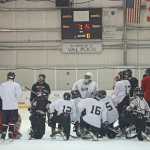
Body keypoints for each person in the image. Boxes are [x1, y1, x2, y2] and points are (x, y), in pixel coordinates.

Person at [0, 72, 22, 140]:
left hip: (5, 107)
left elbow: (1, 95)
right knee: (12, 121)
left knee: (5, 121)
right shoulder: (16, 85)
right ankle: (10, 133)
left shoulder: (2, 85)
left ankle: (3, 135)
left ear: (7, 77)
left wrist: (6, 100)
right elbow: (19, 95)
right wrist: (14, 100)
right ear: (13, 77)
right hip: (13, 106)